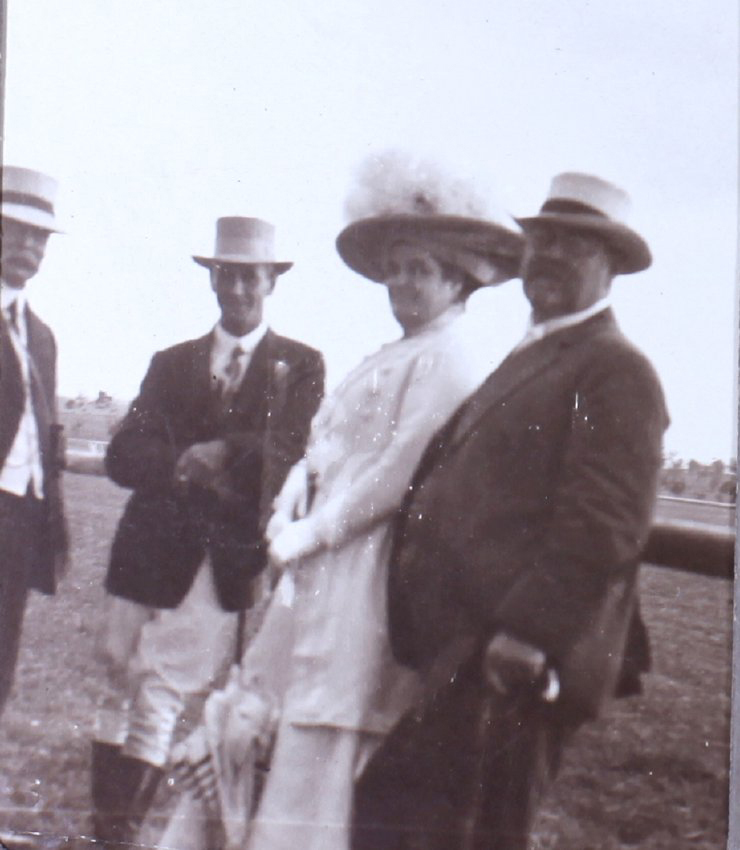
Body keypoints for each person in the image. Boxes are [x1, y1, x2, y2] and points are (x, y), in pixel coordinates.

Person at [171, 165, 524, 850]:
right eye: (394, 269)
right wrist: (290, 507)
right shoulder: (386, 356)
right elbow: (322, 444)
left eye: (419, 270)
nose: (402, 284)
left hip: (363, 571)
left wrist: (315, 532)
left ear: (458, 279)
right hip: (314, 569)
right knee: (269, 706)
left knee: (321, 732)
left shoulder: (451, 361)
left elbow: (396, 474)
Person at [352, 172, 670, 850]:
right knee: (396, 820)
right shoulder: (539, 352)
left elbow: (604, 525)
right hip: (464, 650)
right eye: (544, 239)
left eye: (576, 246)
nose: (550, 256)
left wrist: (528, 635)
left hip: (510, 664)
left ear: (611, 266)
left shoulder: (614, 369)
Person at [90, 216, 325, 847]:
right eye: (229, 275)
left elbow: (292, 448)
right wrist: (178, 465)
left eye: (252, 277)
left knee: (161, 695)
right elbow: (124, 454)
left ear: (271, 282)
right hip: (145, 549)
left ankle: (117, 839)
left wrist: (225, 452)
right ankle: (101, 834)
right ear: (213, 280)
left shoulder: (299, 366)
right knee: (116, 678)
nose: (240, 290)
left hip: (219, 561)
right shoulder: (172, 365)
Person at [0, 166, 68, 719]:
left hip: (20, 521)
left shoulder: (40, 336)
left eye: (40, 236)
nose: (29, 246)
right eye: (15, 229)